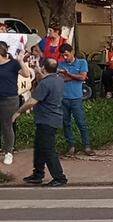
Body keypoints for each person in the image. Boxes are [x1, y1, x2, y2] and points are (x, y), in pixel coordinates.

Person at [12, 58, 67, 186]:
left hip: (46, 120)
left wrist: (18, 112)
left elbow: (32, 101)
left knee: (48, 149)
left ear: (44, 68)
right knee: (39, 148)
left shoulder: (45, 84)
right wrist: (38, 69)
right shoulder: (58, 79)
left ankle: (59, 177)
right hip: (53, 118)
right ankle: (38, 173)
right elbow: (46, 79)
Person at [58, 44, 93, 156]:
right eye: (63, 55)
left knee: (81, 123)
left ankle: (87, 145)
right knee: (65, 123)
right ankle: (71, 145)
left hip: (76, 98)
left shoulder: (82, 62)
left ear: (72, 52)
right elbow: (60, 79)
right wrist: (75, 76)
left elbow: (83, 77)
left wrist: (68, 74)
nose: (65, 58)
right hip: (63, 98)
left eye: (66, 55)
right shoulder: (60, 64)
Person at [0, 42, 32, 165]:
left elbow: (26, 74)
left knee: (7, 125)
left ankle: (8, 151)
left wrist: (20, 60)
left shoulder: (13, 64)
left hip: (9, 99)